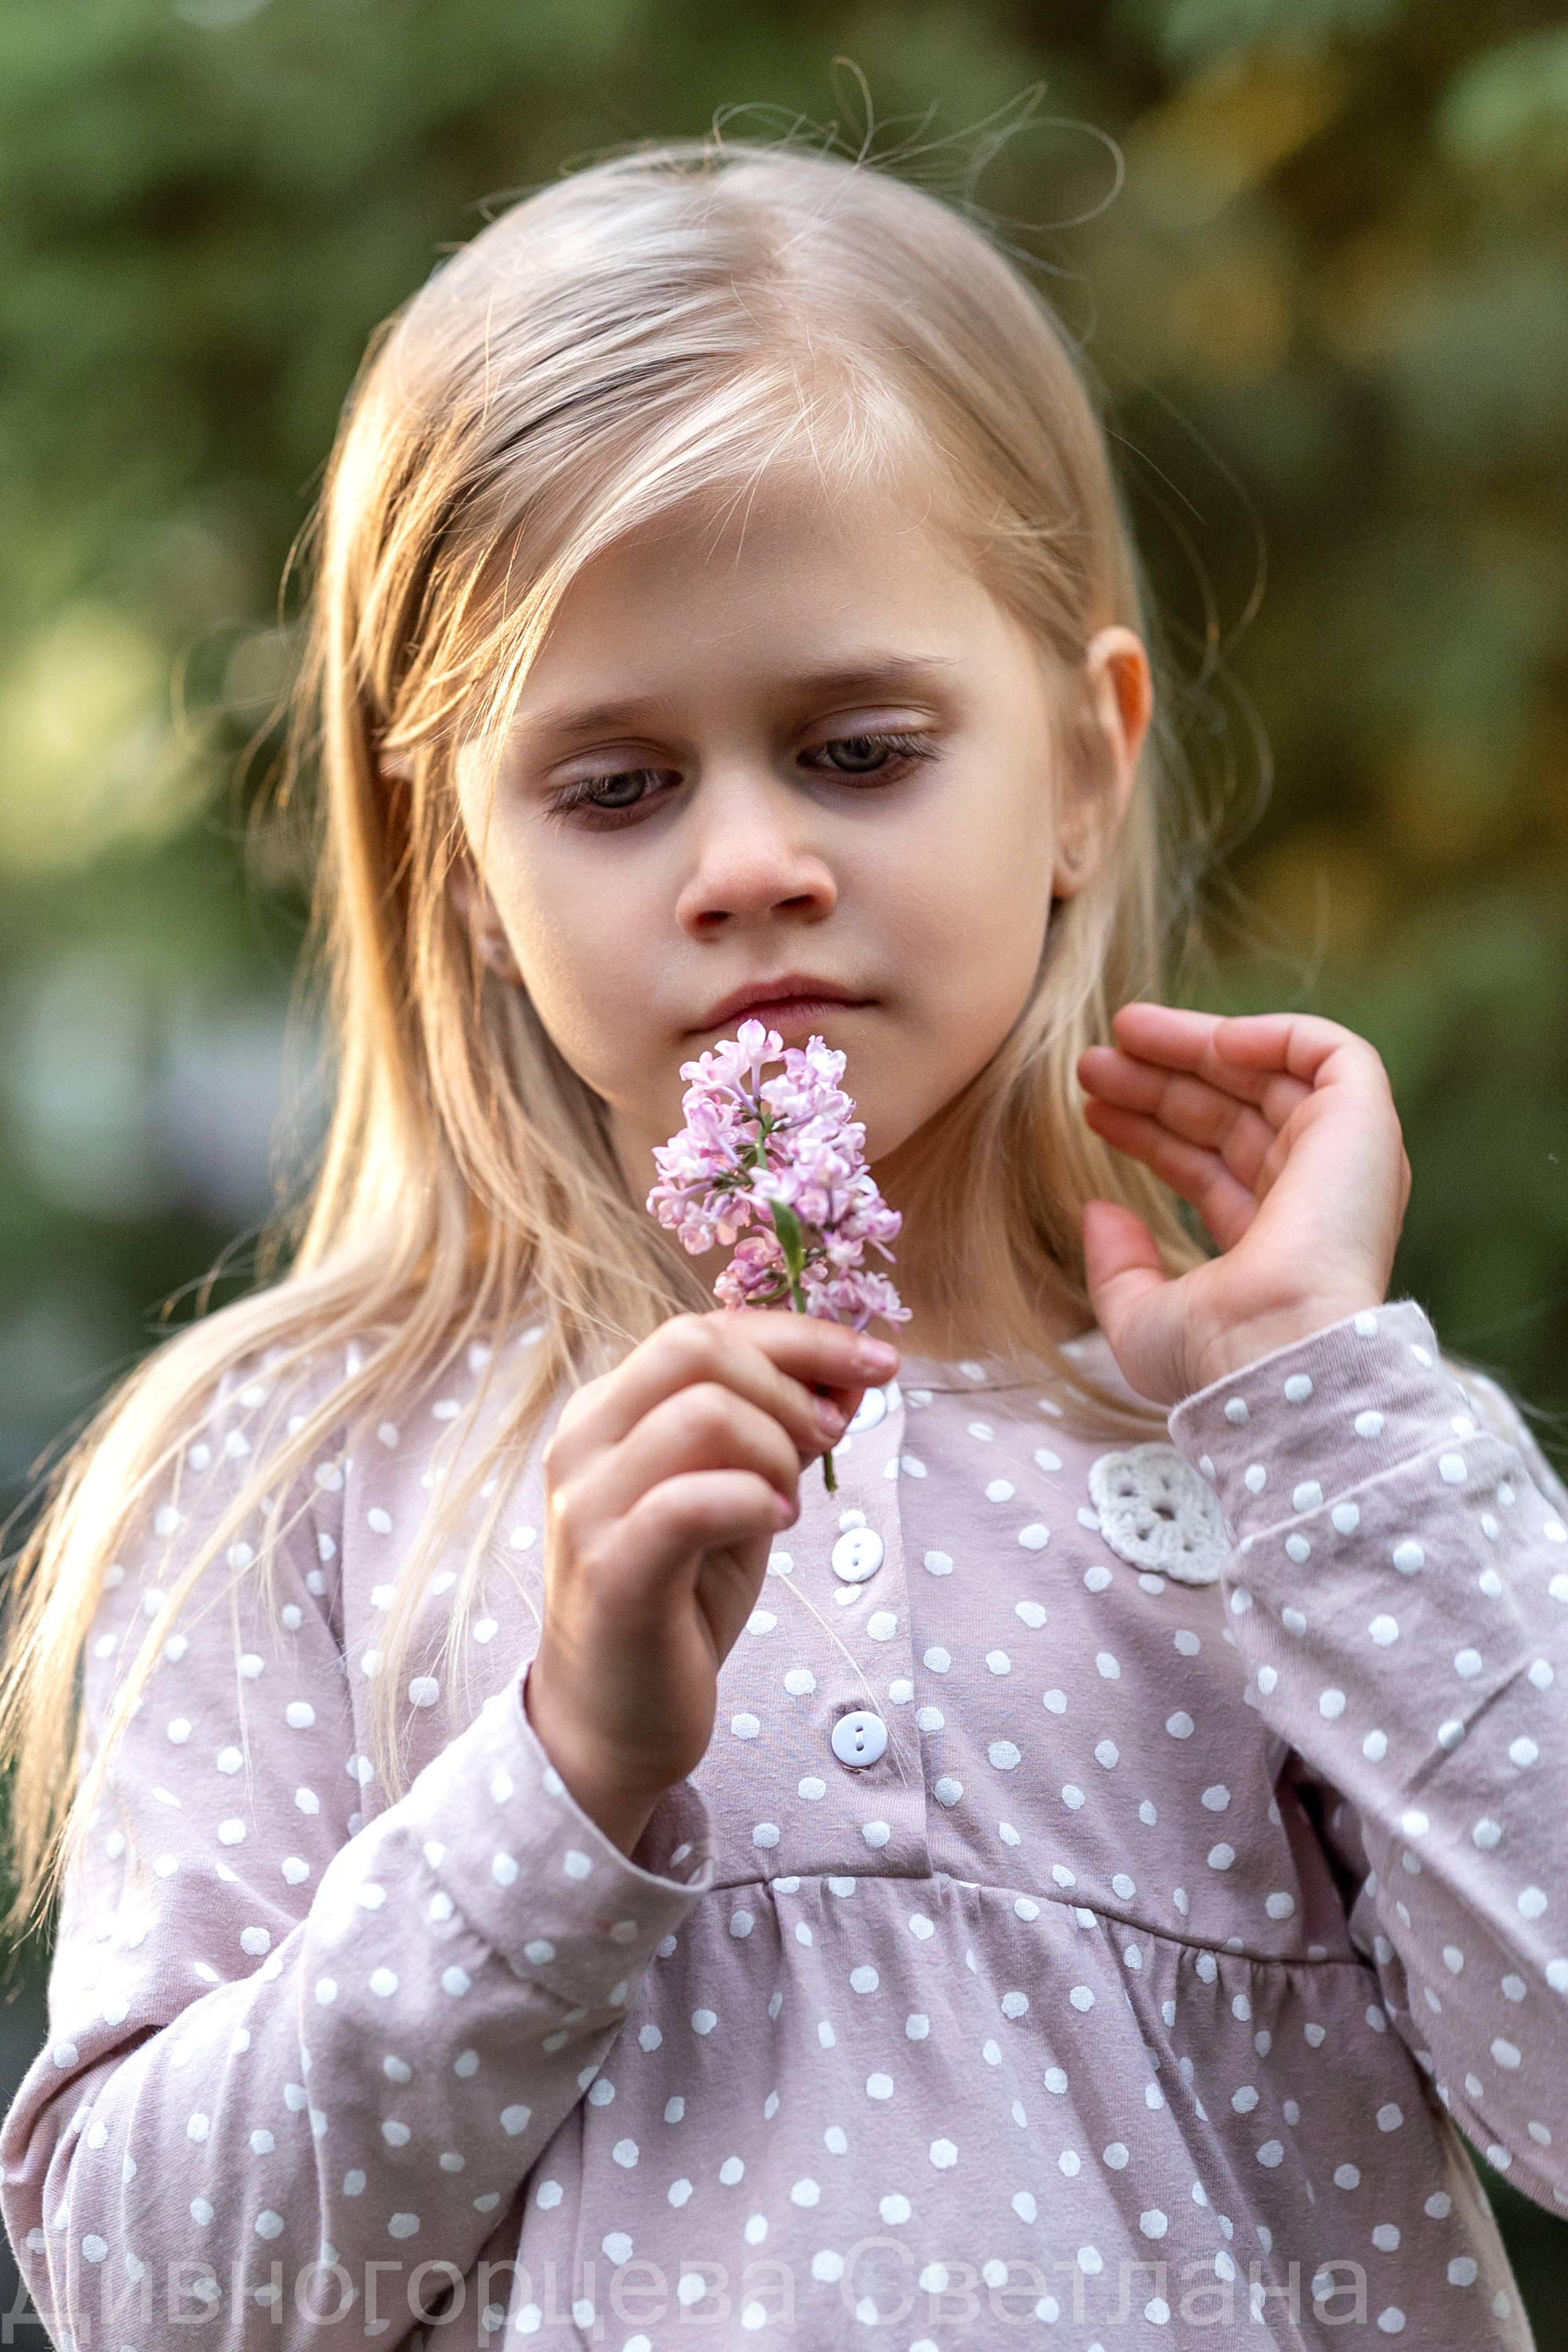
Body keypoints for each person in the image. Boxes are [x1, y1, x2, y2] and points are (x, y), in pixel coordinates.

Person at [0, 136, 1563, 2352]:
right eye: (617, 788)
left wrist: (1326, 1411)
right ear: (460, 864)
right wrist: (563, 1773)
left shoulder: (1283, 1456)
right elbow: (163, 2292)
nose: (747, 862)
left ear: (1084, 772)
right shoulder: (303, 1462)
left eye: (853, 748)